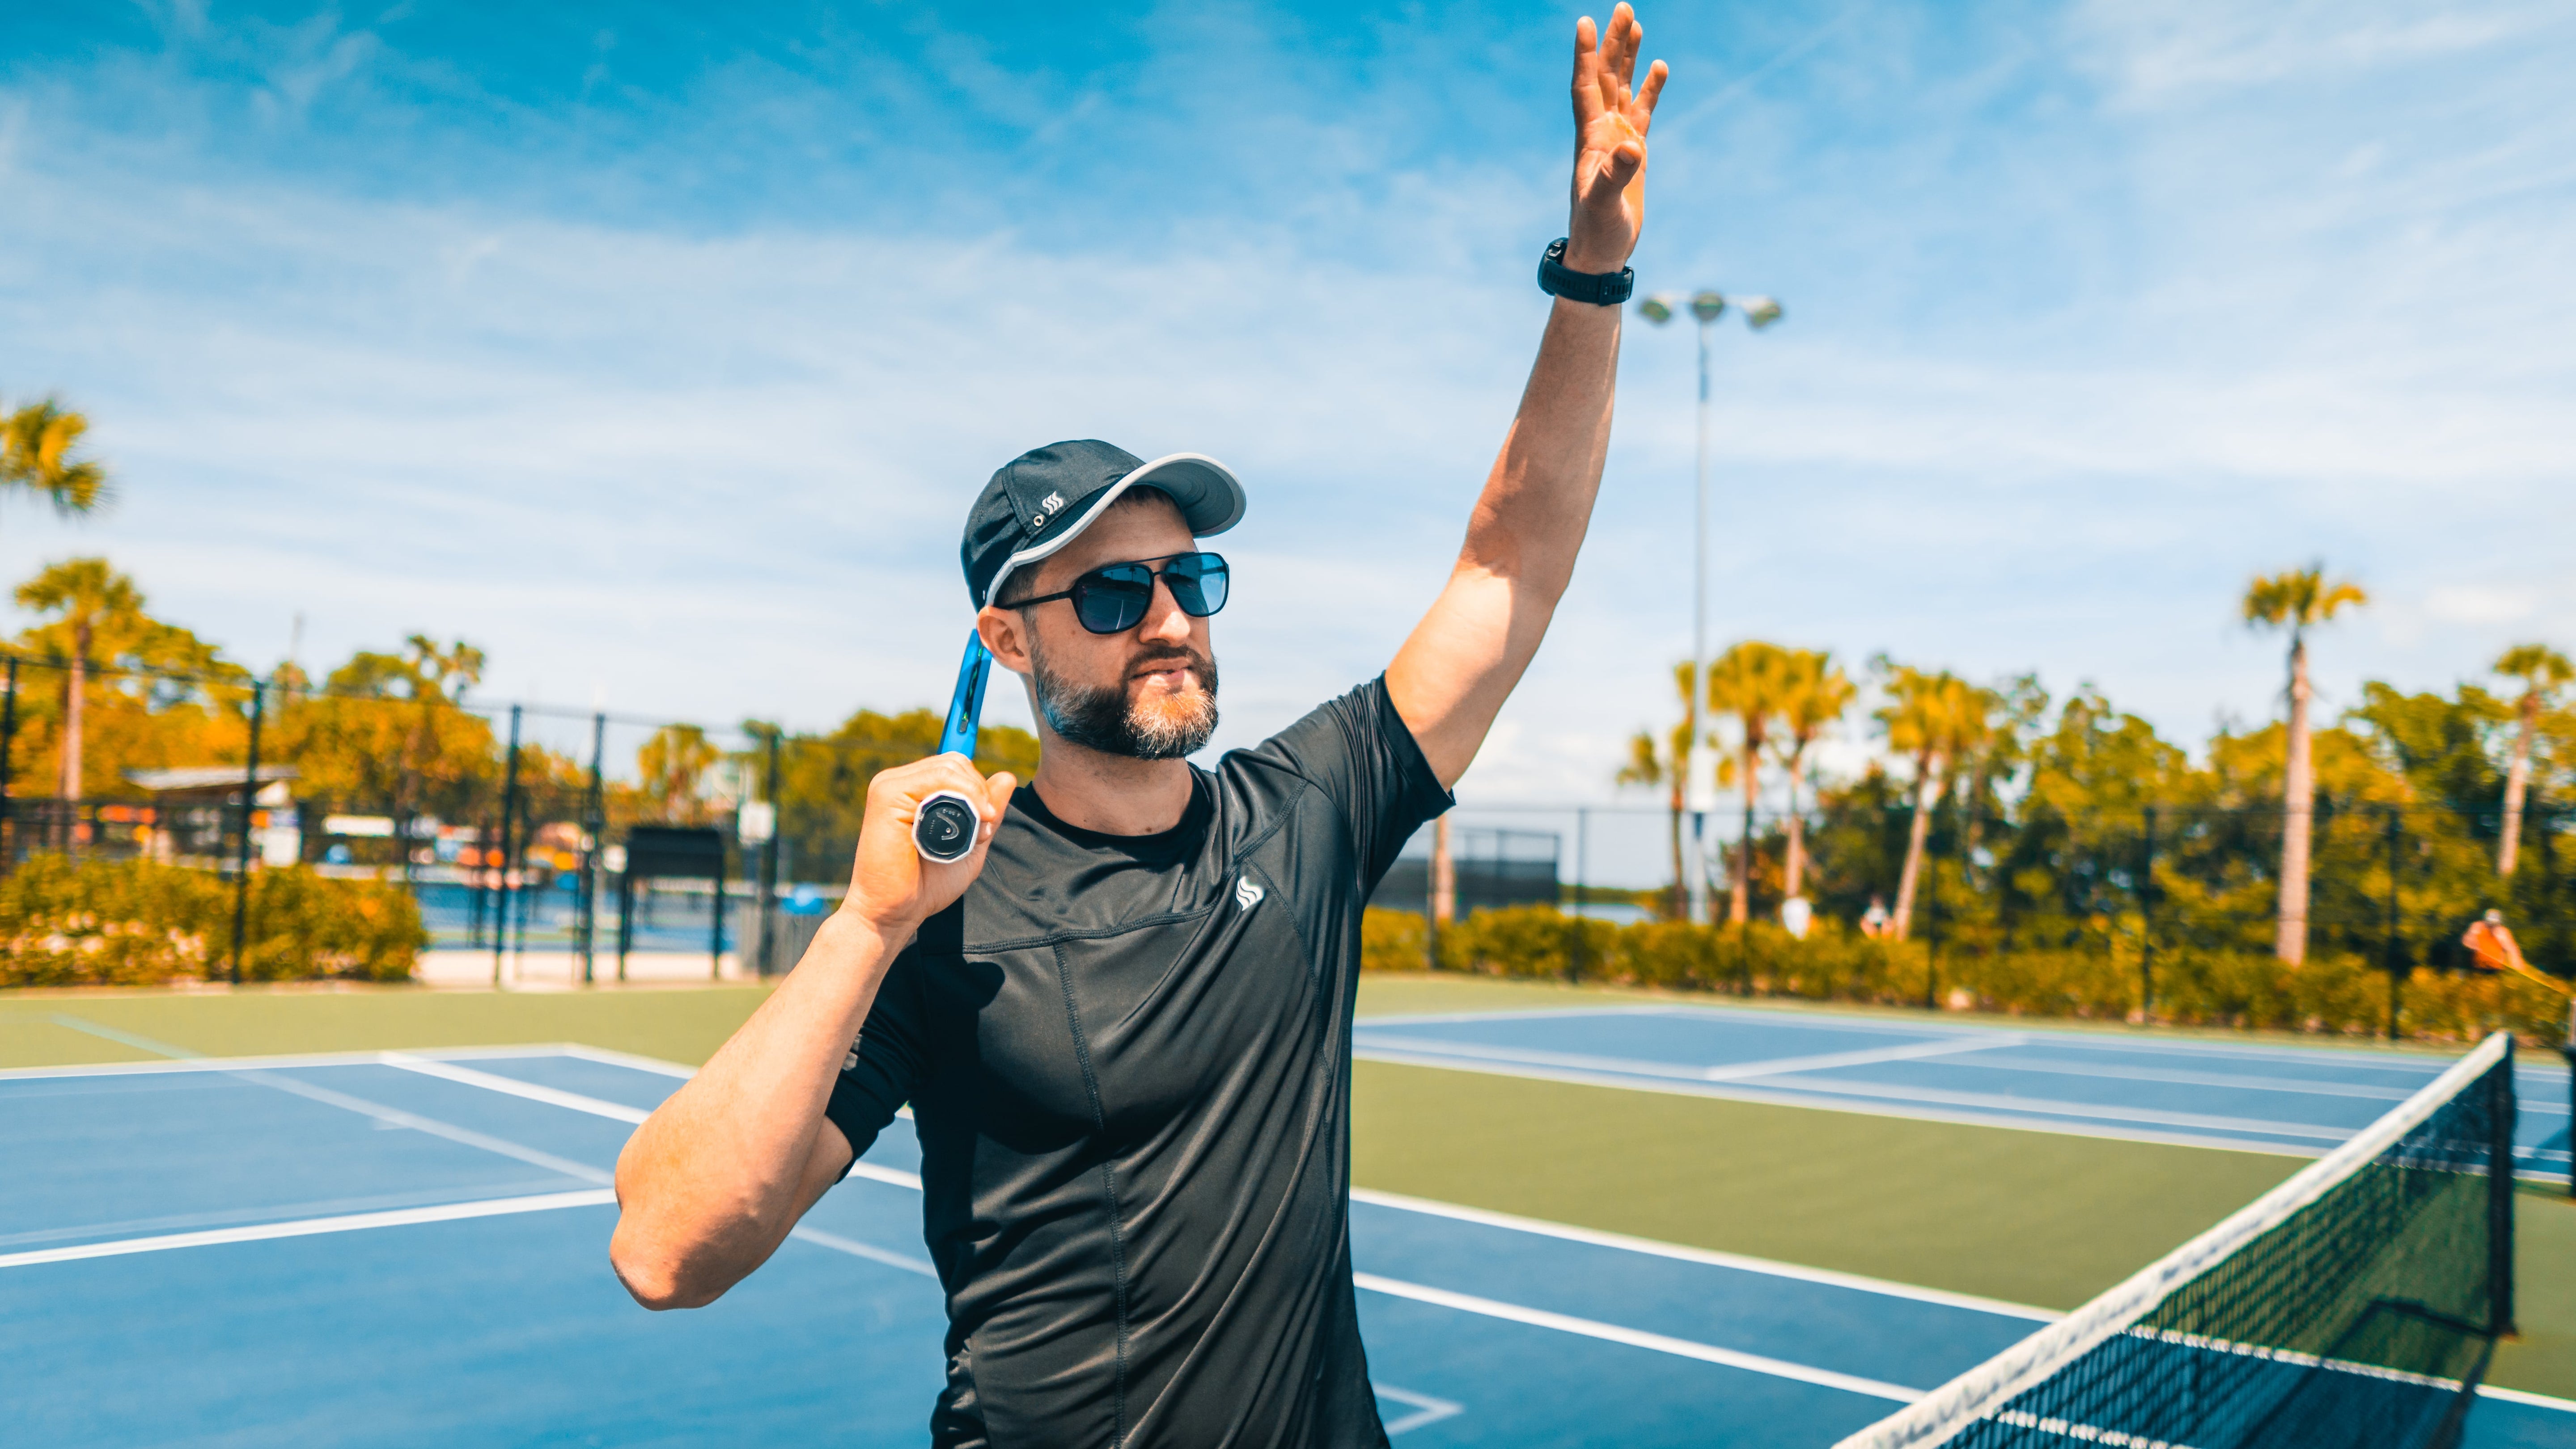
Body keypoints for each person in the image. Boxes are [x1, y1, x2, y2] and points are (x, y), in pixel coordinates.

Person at [607, 9, 1667, 1445]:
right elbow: (671, 1250)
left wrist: (1593, 271)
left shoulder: (1308, 813)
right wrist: (865, 928)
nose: (1169, 615)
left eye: (1191, 576)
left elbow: (1508, 565)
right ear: (1009, 636)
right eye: (1112, 590)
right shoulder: (943, 922)